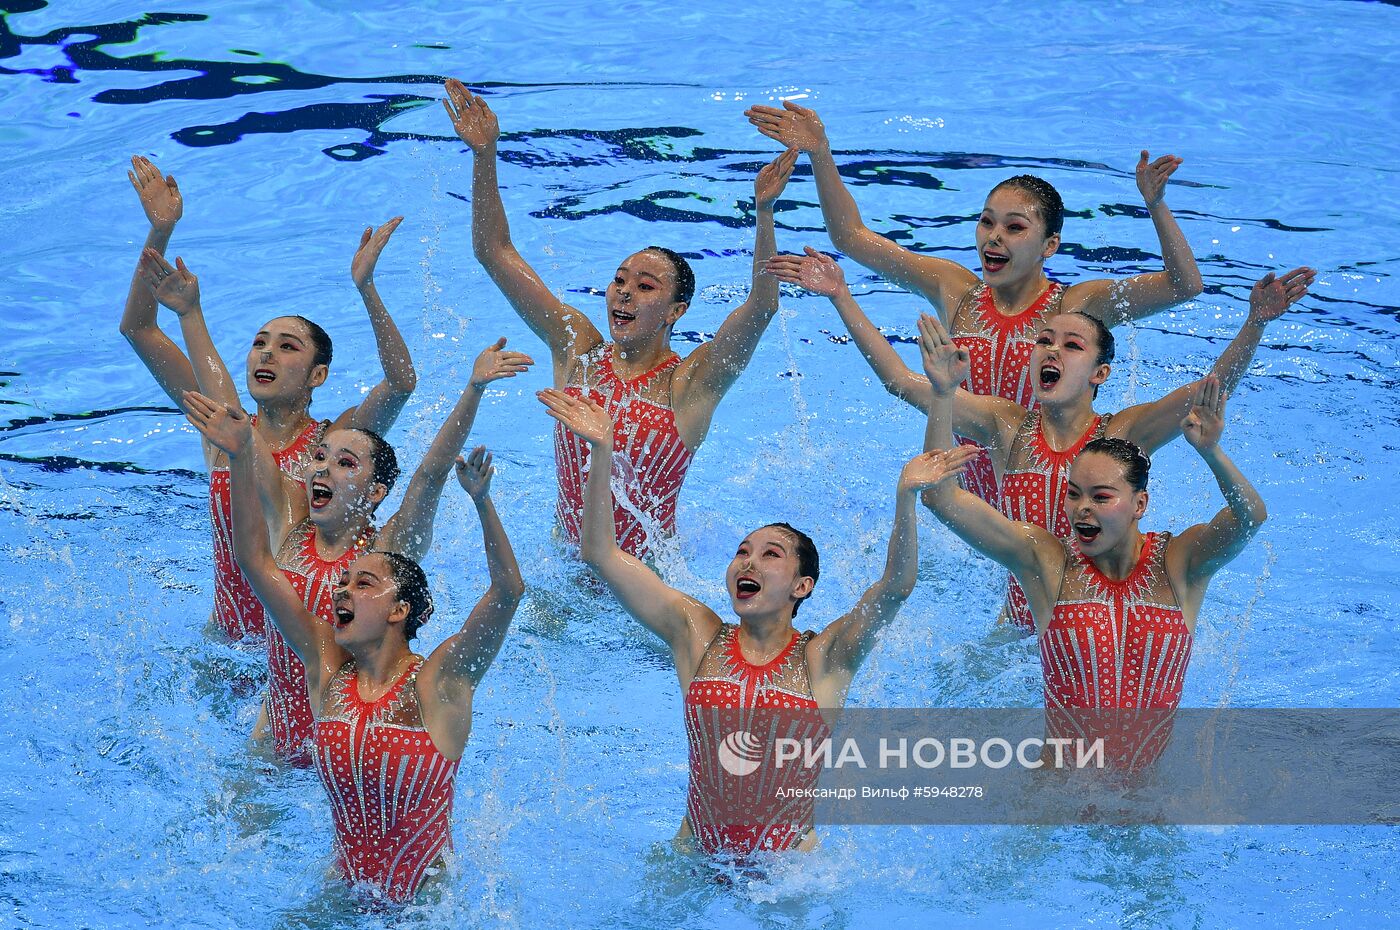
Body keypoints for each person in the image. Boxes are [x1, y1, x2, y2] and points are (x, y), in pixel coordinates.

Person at [539, 387, 947, 855]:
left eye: (769, 555)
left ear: (802, 586)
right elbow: (601, 555)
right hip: (694, 853)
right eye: (741, 553)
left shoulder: (824, 657)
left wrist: (906, 500)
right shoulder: (696, 633)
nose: (747, 564)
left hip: (788, 873)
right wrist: (602, 450)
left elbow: (893, 588)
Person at [750, 100, 1203, 505]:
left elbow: (1184, 286)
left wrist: (1157, 205)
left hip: (1049, 500)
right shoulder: (955, 288)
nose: (994, 237)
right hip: (967, 507)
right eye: (987, 223)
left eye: (1014, 227)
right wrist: (821, 154)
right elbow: (851, 237)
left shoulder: (1077, 306)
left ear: (1050, 245)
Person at [183, 397, 523, 903]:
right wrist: (239, 454)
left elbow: (508, 591)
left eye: (361, 583)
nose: (341, 591)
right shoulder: (327, 668)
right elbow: (253, 561)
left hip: (426, 908)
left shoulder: (440, 681)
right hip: (339, 891)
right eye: (343, 584)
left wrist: (481, 501)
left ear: (399, 610)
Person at [444, 79, 799, 558]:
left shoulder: (691, 383)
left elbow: (762, 308)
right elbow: (494, 253)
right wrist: (485, 157)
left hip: (645, 584)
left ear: (677, 312)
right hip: (565, 570)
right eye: (620, 280)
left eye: (646, 286)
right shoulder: (577, 348)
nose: (624, 293)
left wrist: (764, 212)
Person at [185, 339, 531, 765]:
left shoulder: (384, 554)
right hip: (273, 734)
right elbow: (236, 427)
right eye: (319, 457)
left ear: (375, 492)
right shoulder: (291, 520)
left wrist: (473, 388)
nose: (323, 469)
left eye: (346, 463)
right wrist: (189, 313)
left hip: (345, 745)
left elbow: (431, 473)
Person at [119, 154, 418, 640]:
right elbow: (138, 328)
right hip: (227, 645)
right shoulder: (217, 422)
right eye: (259, 343)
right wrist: (160, 232)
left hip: (311, 655)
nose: (267, 354)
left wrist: (367, 289)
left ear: (317, 375)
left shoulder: (335, 446)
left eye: (287, 347)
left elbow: (401, 382)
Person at [916, 267, 1313, 628]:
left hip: (1093, 622)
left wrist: (1254, 325)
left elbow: (1206, 394)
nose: (1052, 350)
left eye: (1072, 346)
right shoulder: (1011, 429)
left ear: (1100, 373)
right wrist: (941, 391)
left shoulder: (1121, 433)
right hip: (1021, 627)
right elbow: (934, 486)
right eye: (1044, 340)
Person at [917, 381, 1267, 721]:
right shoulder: (1048, 564)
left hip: (1151, 784)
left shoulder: (1178, 564)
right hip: (1057, 781)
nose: (1082, 508)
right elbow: (941, 499)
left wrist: (1212, 453)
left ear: (1139, 503)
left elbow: (1249, 518)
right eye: (1073, 493)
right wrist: (942, 394)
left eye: (1101, 497)